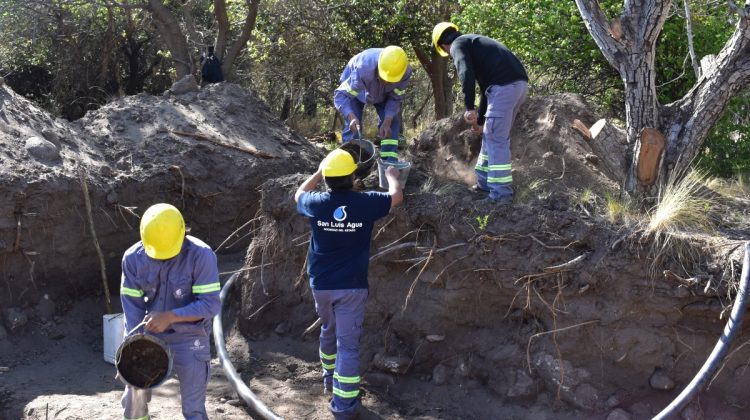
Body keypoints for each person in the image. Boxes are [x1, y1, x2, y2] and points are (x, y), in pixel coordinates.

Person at [294, 149, 403, 419]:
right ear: (354, 175)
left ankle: (329, 380)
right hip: (351, 287)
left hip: (321, 284)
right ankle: (343, 406)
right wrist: (391, 176)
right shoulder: (365, 202)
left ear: (328, 180)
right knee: (349, 346)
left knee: (329, 329)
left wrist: (319, 172)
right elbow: (397, 197)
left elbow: (298, 195)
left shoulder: (317, 202)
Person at [119, 203, 221, 420]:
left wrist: (171, 317)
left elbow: (211, 305)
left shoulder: (201, 256)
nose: (162, 258)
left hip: (190, 336)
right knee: (133, 403)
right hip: (148, 335)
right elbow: (132, 309)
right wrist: (130, 349)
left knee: (193, 409)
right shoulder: (132, 258)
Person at [432, 22, 529, 204]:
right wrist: (482, 120)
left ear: (443, 45)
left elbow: (465, 73)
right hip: (517, 86)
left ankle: (500, 195)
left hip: (504, 88)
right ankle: (483, 183)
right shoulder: (474, 42)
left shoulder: (458, 45)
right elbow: (486, 88)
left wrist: (469, 107)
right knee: (490, 134)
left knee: (496, 139)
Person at [334, 46, 412, 162]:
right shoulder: (363, 69)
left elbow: (395, 98)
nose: (386, 82)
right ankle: (349, 162)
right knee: (354, 127)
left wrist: (387, 120)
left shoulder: (405, 73)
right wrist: (351, 116)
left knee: (392, 123)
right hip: (357, 88)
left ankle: (389, 162)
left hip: (383, 95)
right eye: (384, 78)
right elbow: (341, 95)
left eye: (391, 81)